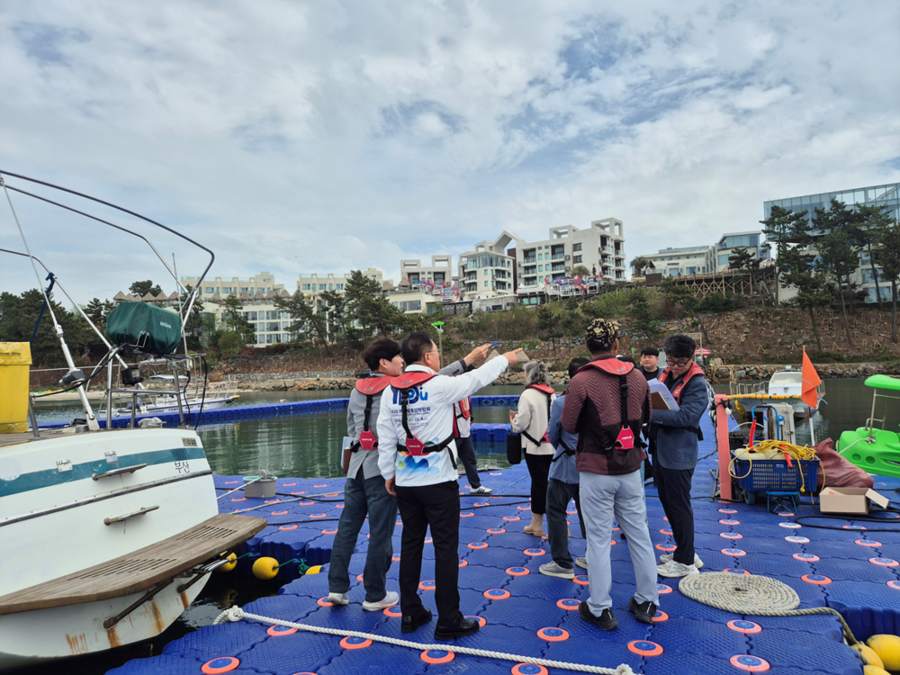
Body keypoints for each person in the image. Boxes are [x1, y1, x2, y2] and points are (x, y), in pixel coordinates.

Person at [377, 332, 521, 640]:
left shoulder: (390, 391)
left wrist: (388, 473)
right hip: (438, 482)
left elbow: (385, 437)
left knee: (410, 546)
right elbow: (475, 380)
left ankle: (410, 612)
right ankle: (449, 619)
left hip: (405, 480)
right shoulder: (438, 386)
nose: (439, 359)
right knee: (445, 551)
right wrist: (503, 361)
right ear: (428, 357)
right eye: (437, 354)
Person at [561, 318, 658, 631]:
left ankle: (600, 607)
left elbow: (569, 425)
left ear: (588, 347)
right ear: (617, 344)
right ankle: (647, 600)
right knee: (640, 534)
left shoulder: (581, 380)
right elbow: (646, 418)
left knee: (599, 540)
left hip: (595, 470)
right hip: (631, 466)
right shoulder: (639, 376)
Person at [327, 338, 403, 611]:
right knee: (380, 533)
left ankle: (336, 588)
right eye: (398, 358)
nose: (402, 362)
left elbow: (351, 430)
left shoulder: (356, 390)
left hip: (356, 467)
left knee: (347, 528)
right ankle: (375, 594)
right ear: (385, 362)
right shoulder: (396, 388)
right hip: (381, 470)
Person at [652, 334, 709, 578]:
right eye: (671, 361)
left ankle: (685, 561)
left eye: (680, 363)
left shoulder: (697, 384)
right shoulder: (665, 375)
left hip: (679, 453)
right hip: (660, 449)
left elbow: (687, 417)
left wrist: (650, 413)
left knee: (679, 505)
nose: (674, 367)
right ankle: (686, 550)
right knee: (668, 502)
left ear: (692, 359)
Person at [539, 357, 589, 579]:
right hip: (592, 466)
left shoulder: (561, 402)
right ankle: (593, 556)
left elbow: (552, 434)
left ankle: (562, 562)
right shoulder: (600, 398)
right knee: (589, 513)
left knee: (556, 511)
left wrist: (567, 448)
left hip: (567, 466)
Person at [510, 360, 556, 537]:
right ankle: (536, 524)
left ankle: (557, 524)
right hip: (549, 446)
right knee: (539, 484)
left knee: (541, 485)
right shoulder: (551, 394)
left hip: (533, 447)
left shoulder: (527, 395)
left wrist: (513, 423)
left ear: (529, 374)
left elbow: (520, 424)